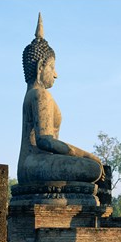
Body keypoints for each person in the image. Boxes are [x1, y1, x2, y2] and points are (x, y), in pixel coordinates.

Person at [17, 13, 104, 185]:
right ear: (41, 66)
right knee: (92, 168)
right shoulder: (40, 94)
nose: (55, 74)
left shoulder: (31, 94)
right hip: (35, 163)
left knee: (90, 170)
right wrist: (88, 155)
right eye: (52, 67)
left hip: (34, 164)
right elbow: (44, 141)